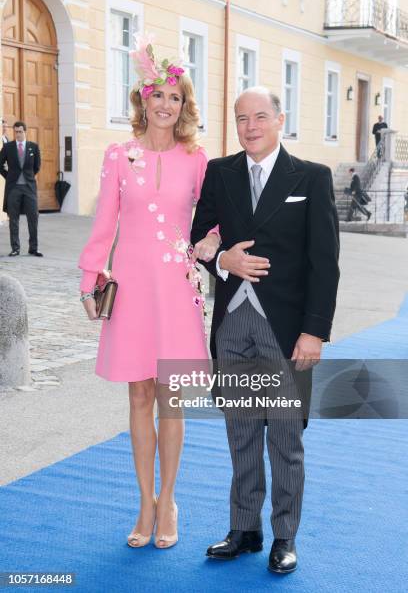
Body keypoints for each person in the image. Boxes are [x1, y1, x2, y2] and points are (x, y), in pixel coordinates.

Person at [191, 86, 340, 574]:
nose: (250, 126)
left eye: (259, 117)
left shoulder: (312, 178)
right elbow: (199, 238)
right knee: (240, 431)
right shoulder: (220, 172)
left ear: (280, 120)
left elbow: (325, 263)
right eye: (241, 119)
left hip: (286, 328)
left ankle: (284, 535)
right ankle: (244, 528)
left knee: (284, 437)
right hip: (233, 321)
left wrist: (314, 332)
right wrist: (224, 259)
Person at [78, 35, 219, 550]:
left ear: (184, 105)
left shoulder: (198, 160)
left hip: (178, 292)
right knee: (138, 394)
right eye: (157, 94)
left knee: (172, 398)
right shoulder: (120, 155)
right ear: (142, 99)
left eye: (175, 97)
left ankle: (169, 501)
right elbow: (103, 225)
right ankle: (143, 501)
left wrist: (211, 241)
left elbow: (216, 220)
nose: (165, 104)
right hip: (132, 289)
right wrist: (90, 279)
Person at [0, 121, 42, 257]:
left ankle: (33, 248)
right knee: (13, 218)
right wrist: (9, 177)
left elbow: (37, 166)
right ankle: (15, 248)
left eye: (20, 132)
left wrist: (28, 177)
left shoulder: (33, 147)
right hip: (13, 188)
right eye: (16, 132)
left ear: (25, 132)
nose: (18, 134)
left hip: (29, 187)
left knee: (33, 217)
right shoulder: (7, 147)